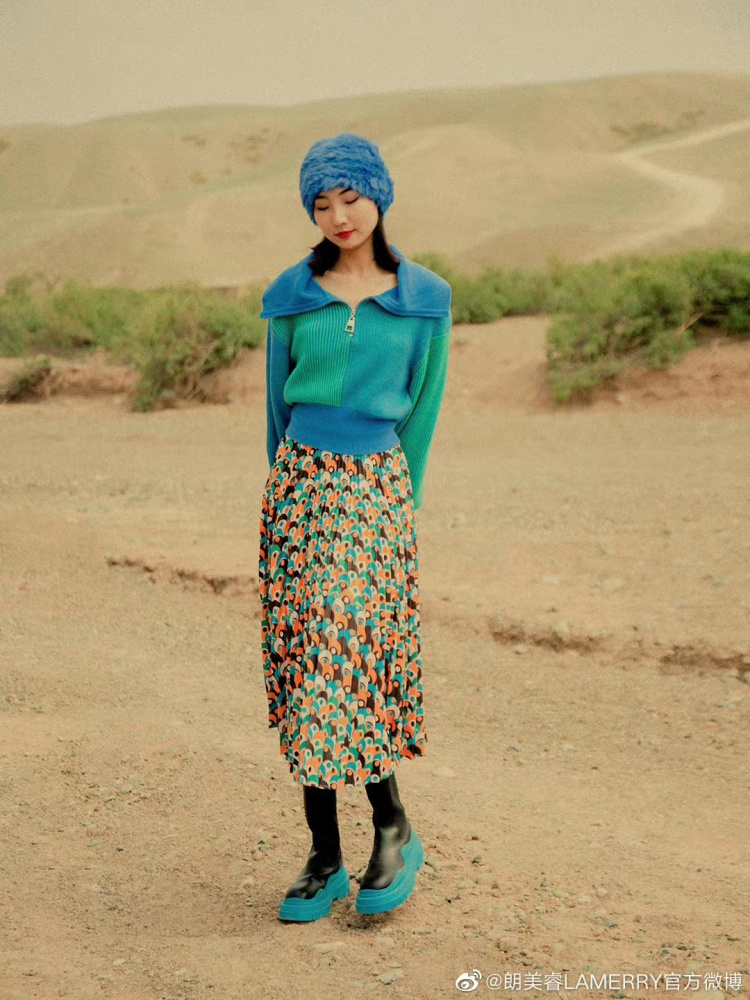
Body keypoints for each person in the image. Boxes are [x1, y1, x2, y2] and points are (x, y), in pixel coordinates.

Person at [258, 132, 452, 922]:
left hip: (376, 492)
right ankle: (324, 854)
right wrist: (287, 490)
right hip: (300, 488)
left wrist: (399, 505)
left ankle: (392, 823)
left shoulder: (425, 298)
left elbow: (424, 409)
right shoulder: (290, 294)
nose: (338, 215)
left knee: (352, 653)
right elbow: (275, 409)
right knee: (311, 662)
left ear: (379, 197)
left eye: (351, 197)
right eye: (321, 203)